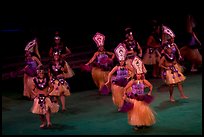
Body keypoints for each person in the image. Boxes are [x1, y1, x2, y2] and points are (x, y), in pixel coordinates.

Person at [105, 43, 133, 111]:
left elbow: (134, 71)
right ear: (119, 61)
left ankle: (128, 104)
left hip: (126, 82)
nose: (121, 62)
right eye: (120, 61)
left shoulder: (127, 66)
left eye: (122, 61)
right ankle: (121, 106)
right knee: (119, 95)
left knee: (126, 94)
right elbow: (110, 73)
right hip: (118, 83)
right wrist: (108, 81)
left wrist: (130, 76)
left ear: (124, 60)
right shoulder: (117, 67)